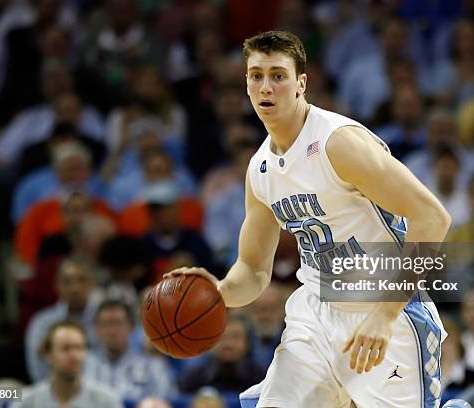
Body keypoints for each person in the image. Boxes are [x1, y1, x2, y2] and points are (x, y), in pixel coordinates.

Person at [171, 31, 452, 408]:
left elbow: (432, 218)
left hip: (386, 310)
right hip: (315, 315)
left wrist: (385, 315)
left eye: (278, 75)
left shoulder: (339, 143)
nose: (266, 87)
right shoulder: (260, 170)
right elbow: (253, 271)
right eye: (256, 75)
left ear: (301, 82)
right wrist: (219, 292)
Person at [14, 321, 122, 408]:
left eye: (79, 348)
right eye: (66, 348)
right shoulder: (28, 402)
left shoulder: (106, 401)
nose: (74, 356)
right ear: (48, 354)